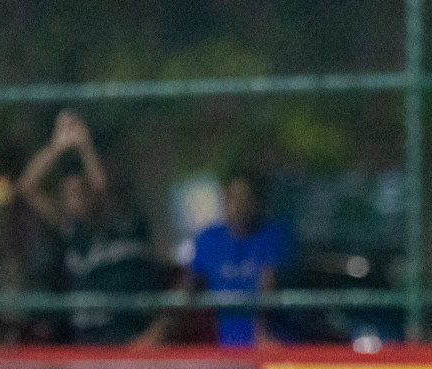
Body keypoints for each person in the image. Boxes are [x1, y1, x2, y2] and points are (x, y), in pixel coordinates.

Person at [18, 110, 159, 344]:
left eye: (79, 191)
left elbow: (101, 190)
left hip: (125, 339)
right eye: (68, 194)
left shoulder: (122, 222)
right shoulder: (72, 229)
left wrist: (84, 145)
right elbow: (26, 188)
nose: (74, 199)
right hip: (86, 342)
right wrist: (56, 146)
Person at [136, 170, 291, 348]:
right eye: (233, 198)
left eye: (246, 198)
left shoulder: (274, 236)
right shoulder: (209, 240)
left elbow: (267, 287)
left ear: (258, 201)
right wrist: (156, 333)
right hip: (228, 349)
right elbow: (186, 287)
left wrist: (262, 335)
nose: (239, 206)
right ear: (224, 199)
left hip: (274, 347)